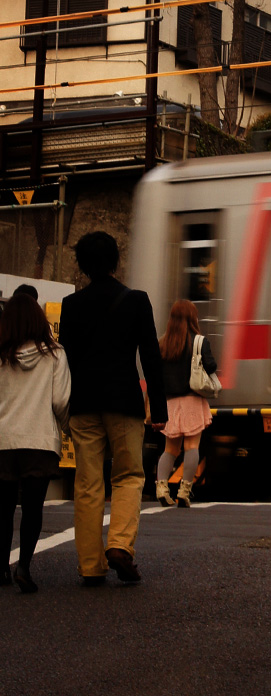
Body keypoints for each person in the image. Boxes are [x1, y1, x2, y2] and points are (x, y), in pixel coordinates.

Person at [59, 231, 167, 585]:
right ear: (115, 260)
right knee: (128, 476)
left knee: (88, 484)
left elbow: (66, 361)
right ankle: (120, 544)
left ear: (82, 265)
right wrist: (160, 408)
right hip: (123, 402)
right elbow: (151, 356)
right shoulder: (136, 300)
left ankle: (90, 565)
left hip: (84, 403)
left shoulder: (71, 305)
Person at [0, 285, 71, 594]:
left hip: (2, 442)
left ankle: (2, 565)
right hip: (40, 442)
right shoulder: (55, 353)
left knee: (2, 509)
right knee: (32, 509)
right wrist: (66, 427)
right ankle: (25, 567)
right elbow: (60, 401)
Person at [155, 300, 217, 508]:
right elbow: (211, 366)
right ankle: (184, 491)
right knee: (192, 446)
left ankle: (161, 488)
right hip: (192, 399)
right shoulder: (199, 341)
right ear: (193, 318)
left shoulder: (163, 343)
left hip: (170, 403)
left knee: (169, 449)